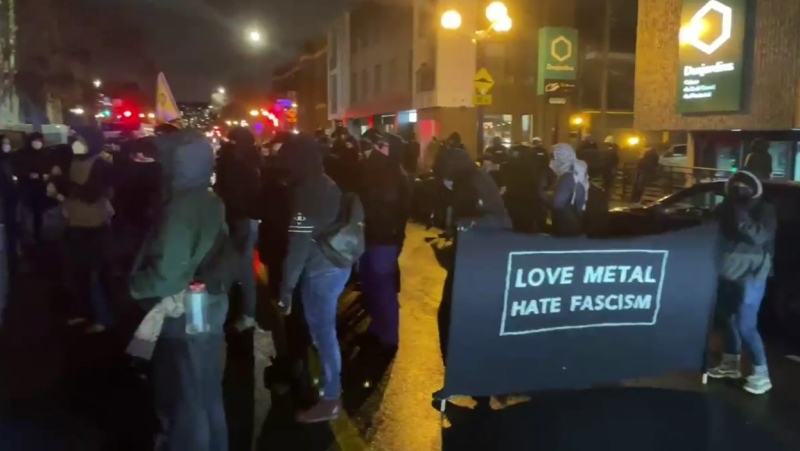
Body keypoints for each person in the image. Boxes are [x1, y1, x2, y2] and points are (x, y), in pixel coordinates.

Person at [129, 125, 229, 450]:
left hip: (182, 310)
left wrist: (133, 285)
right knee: (206, 389)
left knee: (185, 396)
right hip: (209, 306)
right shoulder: (209, 199)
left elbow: (166, 276)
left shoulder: (179, 210)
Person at [274, 133, 350, 422]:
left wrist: (285, 288)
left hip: (320, 270)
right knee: (324, 333)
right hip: (335, 265)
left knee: (323, 335)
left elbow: (299, 244)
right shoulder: (326, 182)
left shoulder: (307, 192)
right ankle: (331, 392)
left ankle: (331, 399)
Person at [707, 170, 775, 395]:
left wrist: (741, 212)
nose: (739, 192)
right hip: (726, 273)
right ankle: (730, 363)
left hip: (751, 276)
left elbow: (759, 236)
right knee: (726, 319)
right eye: (735, 188)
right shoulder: (725, 209)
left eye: (744, 189)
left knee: (746, 325)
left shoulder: (764, 209)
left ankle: (761, 372)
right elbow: (711, 233)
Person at [47, 126, 115, 333]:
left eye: (80, 139)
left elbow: (91, 194)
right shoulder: (75, 161)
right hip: (75, 223)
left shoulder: (101, 164)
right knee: (79, 272)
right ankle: (84, 312)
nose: (76, 142)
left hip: (95, 226)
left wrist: (60, 182)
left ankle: (103, 317)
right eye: (75, 138)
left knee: (96, 274)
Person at [358, 129, 410, 350]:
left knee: (384, 286)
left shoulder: (394, 176)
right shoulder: (382, 172)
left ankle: (389, 337)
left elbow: (381, 204)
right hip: (372, 236)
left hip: (384, 238)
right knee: (372, 285)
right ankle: (378, 327)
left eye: (382, 147)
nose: (376, 151)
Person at [215, 126, 262, 332]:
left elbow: (228, 190)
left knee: (241, 268)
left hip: (239, 219)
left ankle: (247, 314)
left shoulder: (237, 164)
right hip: (246, 218)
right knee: (243, 267)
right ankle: (244, 311)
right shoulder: (251, 161)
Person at [545, 143, 588, 237]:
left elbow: (558, 203)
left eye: (554, 158)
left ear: (561, 159)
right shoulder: (576, 172)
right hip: (577, 221)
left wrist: (542, 195)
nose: (551, 162)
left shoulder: (567, 176)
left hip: (567, 226)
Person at [14, 132, 48, 245]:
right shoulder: (22, 154)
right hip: (26, 189)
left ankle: (37, 237)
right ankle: (23, 238)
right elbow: (17, 170)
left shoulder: (43, 154)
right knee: (24, 214)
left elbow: (46, 168)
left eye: (40, 140)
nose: (37, 143)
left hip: (39, 188)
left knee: (38, 214)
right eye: (35, 140)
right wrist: (28, 175)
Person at [0, 135, 18, 279]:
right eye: (4, 143)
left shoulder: (9, 159)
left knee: (10, 227)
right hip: (3, 200)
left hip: (10, 199)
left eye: (8, 143)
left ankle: (11, 258)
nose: (7, 146)